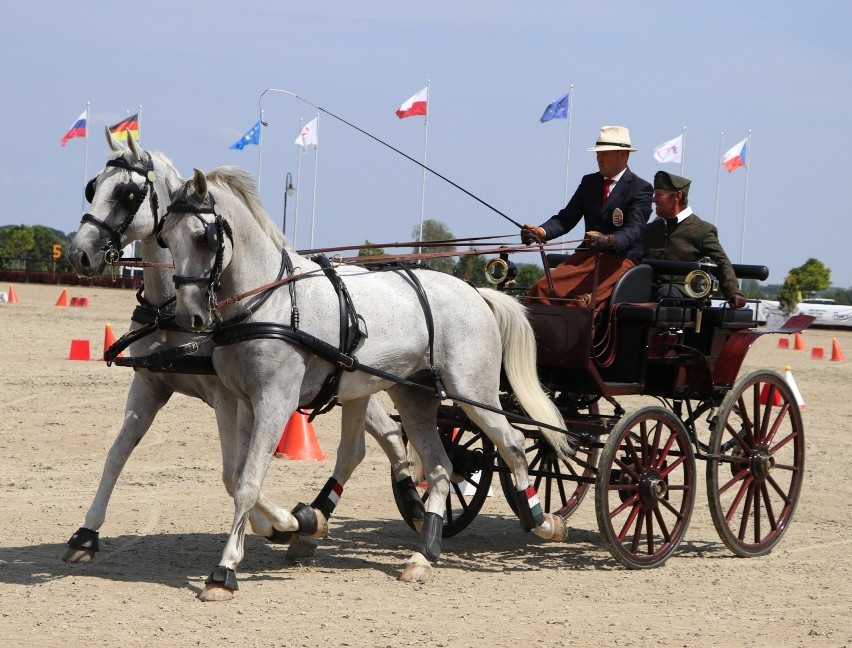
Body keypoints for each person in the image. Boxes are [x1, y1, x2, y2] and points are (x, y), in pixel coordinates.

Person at [522, 125, 653, 307]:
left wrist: (609, 240)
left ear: (623, 155)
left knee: (581, 304)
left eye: (604, 153)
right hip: (585, 258)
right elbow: (566, 218)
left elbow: (634, 229)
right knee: (541, 289)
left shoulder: (640, 189)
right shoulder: (589, 182)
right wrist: (541, 231)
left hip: (619, 261)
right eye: (597, 153)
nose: (598, 158)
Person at [643, 171, 747, 308]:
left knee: (667, 294)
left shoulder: (702, 230)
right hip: (647, 289)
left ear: (678, 196)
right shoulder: (649, 230)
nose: (654, 199)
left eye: (659, 194)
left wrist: (734, 292)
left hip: (682, 293)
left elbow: (721, 262)